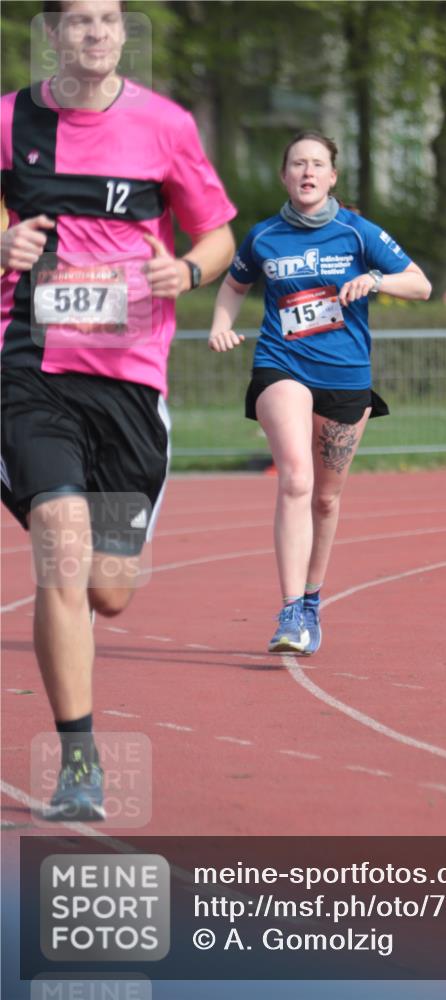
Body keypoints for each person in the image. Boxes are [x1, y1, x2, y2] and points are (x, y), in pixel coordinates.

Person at [0, 0, 237, 820]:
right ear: (52, 34)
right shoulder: (9, 122)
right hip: (30, 368)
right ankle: (80, 766)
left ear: (124, 32)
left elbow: (217, 235)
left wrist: (191, 272)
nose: (96, 33)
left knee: (109, 590)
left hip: (130, 381)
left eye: (109, 19)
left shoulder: (165, 126)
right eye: (79, 21)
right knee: (62, 548)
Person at [208, 131, 431, 655]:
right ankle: (290, 613)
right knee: (296, 479)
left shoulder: (357, 232)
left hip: (345, 377)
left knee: (326, 499)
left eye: (317, 164)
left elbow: (420, 284)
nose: (307, 172)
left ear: (332, 176)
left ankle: (311, 600)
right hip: (281, 365)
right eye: (297, 164)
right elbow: (234, 285)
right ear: (284, 175)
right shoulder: (264, 237)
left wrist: (375, 280)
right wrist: (221, 323)